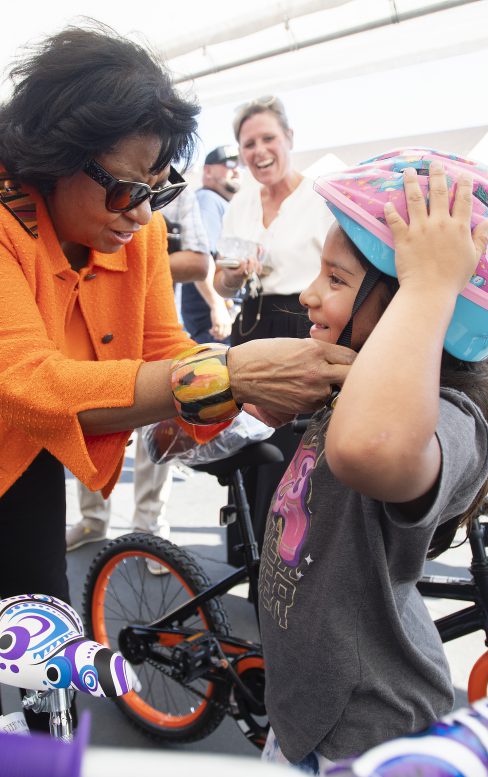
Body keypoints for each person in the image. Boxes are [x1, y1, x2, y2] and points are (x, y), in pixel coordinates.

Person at [0, 24, 354, 726]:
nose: (141, 216)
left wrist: (231, 400)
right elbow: (21, 380)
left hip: (23, 433)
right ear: (55, 154)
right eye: (126, 190)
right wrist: (225, 377)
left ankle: (57, 746)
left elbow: (168, 345)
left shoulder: (131, 229)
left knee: (46, 606)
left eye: (158, 190)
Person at [256, 149, 488, 771]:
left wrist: (430, 283)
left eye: (336, 280)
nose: (309, 294)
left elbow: (369, 449)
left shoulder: (450, 419)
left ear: (433, 312)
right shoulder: (354, 387)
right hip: (307, 713)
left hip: (367, 731)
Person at [213, 96, 336, 566]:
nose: (259, 150)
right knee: (244, 448)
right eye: (249, 143)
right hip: (248, 327)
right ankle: (248, 560)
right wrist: (232, 275)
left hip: (300, 329)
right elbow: (221, 280)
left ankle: (284, 568)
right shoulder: (239, 202)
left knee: (289, 460)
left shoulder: (320, 199)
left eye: (268, 139)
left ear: (289, 140)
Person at [66, 185, 211, 555]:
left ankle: (150, 526)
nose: (144, 212)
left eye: (158, 189)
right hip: (92, 318)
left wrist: (140, 258)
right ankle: (92, 518)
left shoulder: (161, 218)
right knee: (90, 410)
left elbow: (199, 262)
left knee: (157, 423)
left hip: (146, 320)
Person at [181, 144, 241, 344]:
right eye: (229, 163)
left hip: (222, 318)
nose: (236, 169)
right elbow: (202, 255)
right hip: (214, 322)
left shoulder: (219, 203)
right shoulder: (208, 199)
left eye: (239, 164)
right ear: (207, 170)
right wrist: (217, 305)